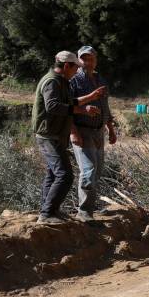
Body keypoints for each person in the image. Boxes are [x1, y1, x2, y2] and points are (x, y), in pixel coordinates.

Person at [33, 51, 101, 225]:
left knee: (52, 174)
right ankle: (47, 214)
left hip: (54, 134)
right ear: (66, 66)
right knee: (65, 175)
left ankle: (49, 210)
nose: (77, 71)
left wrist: (90, 98)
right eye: (75, 67)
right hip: (49, 135)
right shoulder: (52, 82)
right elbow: (53, 106)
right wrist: (82, 110)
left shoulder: (61, 82)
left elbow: (70, 102)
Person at [69, 45, 115, 222]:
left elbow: (106, 107)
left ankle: (89, 208)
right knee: (88, 170)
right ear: (79, 60)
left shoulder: (100, 79)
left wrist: (111, 129)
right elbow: (68, 108)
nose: (87, 62)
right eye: (84, 58)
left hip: (99, 132)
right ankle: (84, 212)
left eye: (91, 58)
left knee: (97, 171)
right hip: (82, 130)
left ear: (96, 60)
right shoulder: (74, 80)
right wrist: (73, 132)